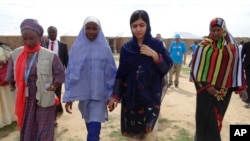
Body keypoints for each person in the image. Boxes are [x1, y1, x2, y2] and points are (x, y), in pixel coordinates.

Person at [107, 10, 172, 141]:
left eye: (142, 25)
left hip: (150, 98)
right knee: (133, 136)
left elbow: (166, 67)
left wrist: (154, 55)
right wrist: (115, 96)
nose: (138, 29)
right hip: (131, 99)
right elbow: (121, 74)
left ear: (147, 25)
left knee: (149, 135)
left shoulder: (156, 45)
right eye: (134, 25)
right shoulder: (127, 48)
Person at [5, 19, 65, 140]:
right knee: (28, 124)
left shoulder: (49, 55)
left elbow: (60, 73)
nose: (28, 42)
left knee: (44, 127)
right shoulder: (16, 54)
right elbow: (11, 72)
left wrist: (54, 86)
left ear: (39, 37)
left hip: (43, 94)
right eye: (25, 39)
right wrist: (12, 83)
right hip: (25, 97)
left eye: (31, 38)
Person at [190, 17, 248, 141]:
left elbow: (236, 67)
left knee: (216, 120)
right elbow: (196, 69)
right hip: (206, 92)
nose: (216, 33)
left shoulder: (232, 47)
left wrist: (241, 88)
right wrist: (207, 85)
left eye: (218, 30)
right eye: (213, 30)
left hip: (223, 93)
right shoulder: (203, 46)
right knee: (204, 119)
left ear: (224, 30)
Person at [63, 16, 117, 141]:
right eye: (88, 28)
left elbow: (111, 74)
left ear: (99, 30)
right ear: (83, 29)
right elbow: (71, 73)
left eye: (94, 28)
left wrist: (112, 96)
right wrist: (69, 97)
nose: (91, 31)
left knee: (93, 131)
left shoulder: (105, 49)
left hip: (99, 95)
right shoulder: (76, 49)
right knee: (90, 127)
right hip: (84, 96)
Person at [45, 26, 68, 116]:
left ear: (57, 33)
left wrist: (68, 72)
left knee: (57, 91)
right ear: (48, 33)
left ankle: (55, 110)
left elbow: (66, 59)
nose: (52, 34)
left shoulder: (63, 45)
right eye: (50, 32)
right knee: (47, 91)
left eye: (53, 32)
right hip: (46, 73)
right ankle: (50, 110)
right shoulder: (44, 44)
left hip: (58, 74)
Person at [0, 42, 16, 128]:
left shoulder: (3, 48)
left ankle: (9, 118)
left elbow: (12, 59)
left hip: (2, 79)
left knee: (6, 99)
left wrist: (4, 61)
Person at [242, 41, 250, 108]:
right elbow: (241, 56)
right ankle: (248, 101)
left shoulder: (246, 44)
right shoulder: (246, 44)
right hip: (248, 67)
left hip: (247, 66)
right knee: (249, 84)